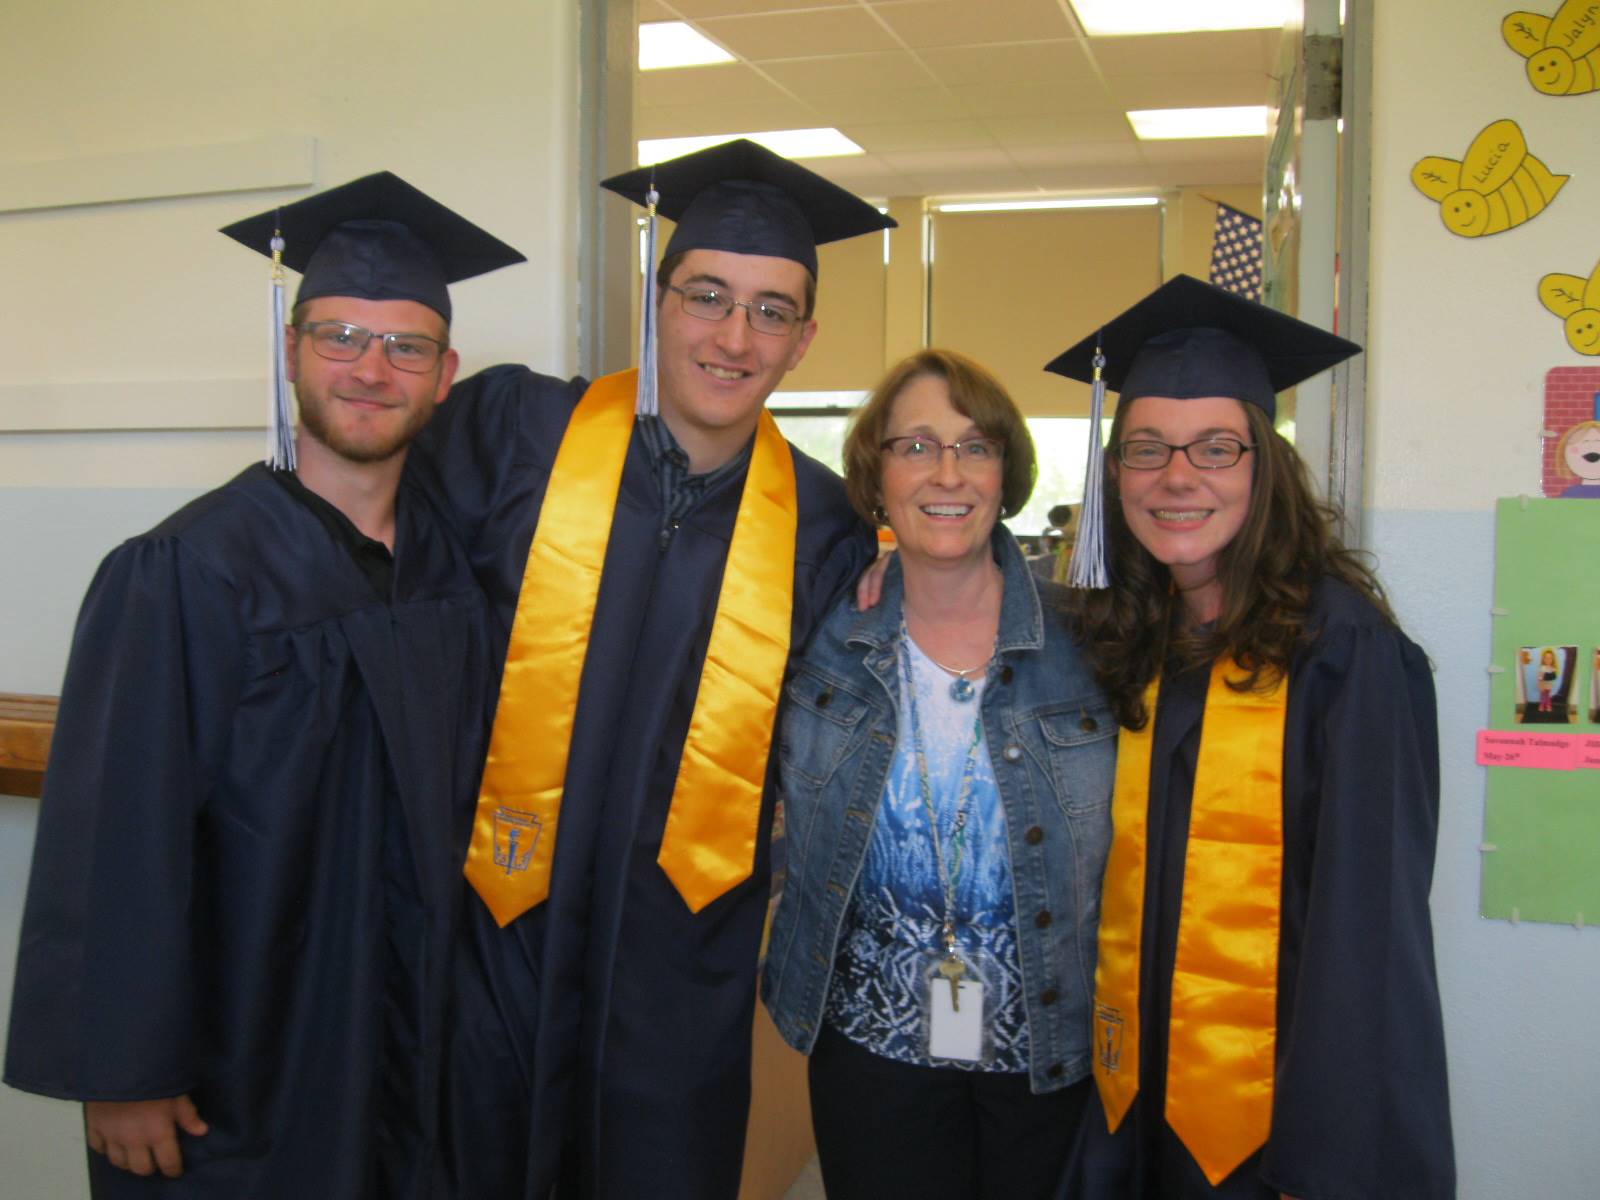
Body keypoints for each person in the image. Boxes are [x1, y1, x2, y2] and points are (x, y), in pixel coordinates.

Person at [3, 172, 518, 1197]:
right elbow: (117, 837)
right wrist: (122, 1074)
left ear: (445, 374)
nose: (371, 369)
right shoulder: (186, 570)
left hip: (410, 1037)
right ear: (290, 351)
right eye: (339, 336)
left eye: (405, 346)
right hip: (248, 1046)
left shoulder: (450, 576)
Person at [405, 140, 890, 1200]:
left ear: (803, 341)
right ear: (656, 300)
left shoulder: (824, 528)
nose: (733, 335)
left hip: (682, 972)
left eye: (771, 311)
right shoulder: (512, 432)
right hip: (488, 943)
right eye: (707, 295)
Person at [1046, 275, 1455, 1199]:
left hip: (1275, 1130)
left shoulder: (1346, 657)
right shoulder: (1132, 637)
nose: (1176, 477)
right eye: (1145, 449)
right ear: (1113, 475)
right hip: (1128, 1096)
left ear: (1265, 466)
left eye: (1216, 448)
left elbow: (1369, 944)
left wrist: (1328, 1161)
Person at [762, 349, 1116, 1200]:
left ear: (1007, 474)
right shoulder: (816, 634)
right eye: (914, 446)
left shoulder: (1097, 646)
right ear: (875, 476)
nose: (946, 472)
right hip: (869, 1053)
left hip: (1050, 1056)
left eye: (976, 446)